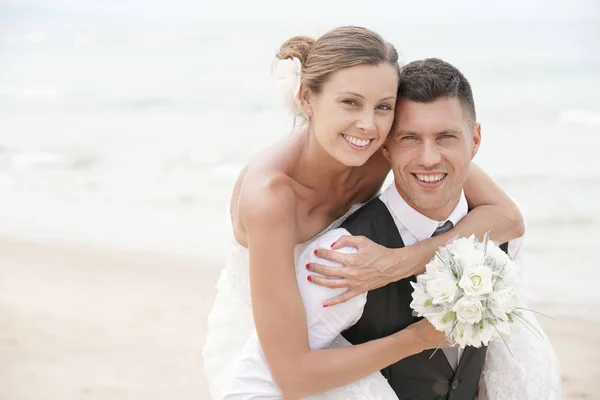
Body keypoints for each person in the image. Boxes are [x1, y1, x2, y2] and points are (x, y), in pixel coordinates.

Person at [202, 26, 525, 399]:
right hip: (276, 324)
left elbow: (506, 217)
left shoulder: (381, 146)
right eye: (350, 103)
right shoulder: (271, 198)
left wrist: (401, 261)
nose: (368, 125)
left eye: (383, 107)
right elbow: (290, 375)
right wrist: (420, 336)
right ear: (307, 97)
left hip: (339, 309)